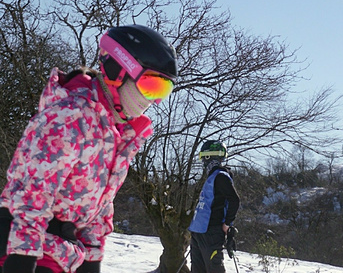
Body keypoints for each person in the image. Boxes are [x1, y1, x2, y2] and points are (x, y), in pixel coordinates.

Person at [0, 24, 178, 273]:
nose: (154, 100)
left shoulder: (118, 134)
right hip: (26, 248)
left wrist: (92, 259)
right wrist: (22, 257)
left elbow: (101, 203)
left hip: (64, 254)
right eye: (151, 85)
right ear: (118, 70)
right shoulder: (70, 116)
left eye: (164, 90)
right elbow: (32, 190)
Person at [189, 140, 240, 273]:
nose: (202, 163)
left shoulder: (220, 176)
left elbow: (234, 200)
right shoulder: (211, 177)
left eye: (203, 158)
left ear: (208, 157)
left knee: (214, 269)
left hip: (211, 231)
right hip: (199, 231)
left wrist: (228, 224)